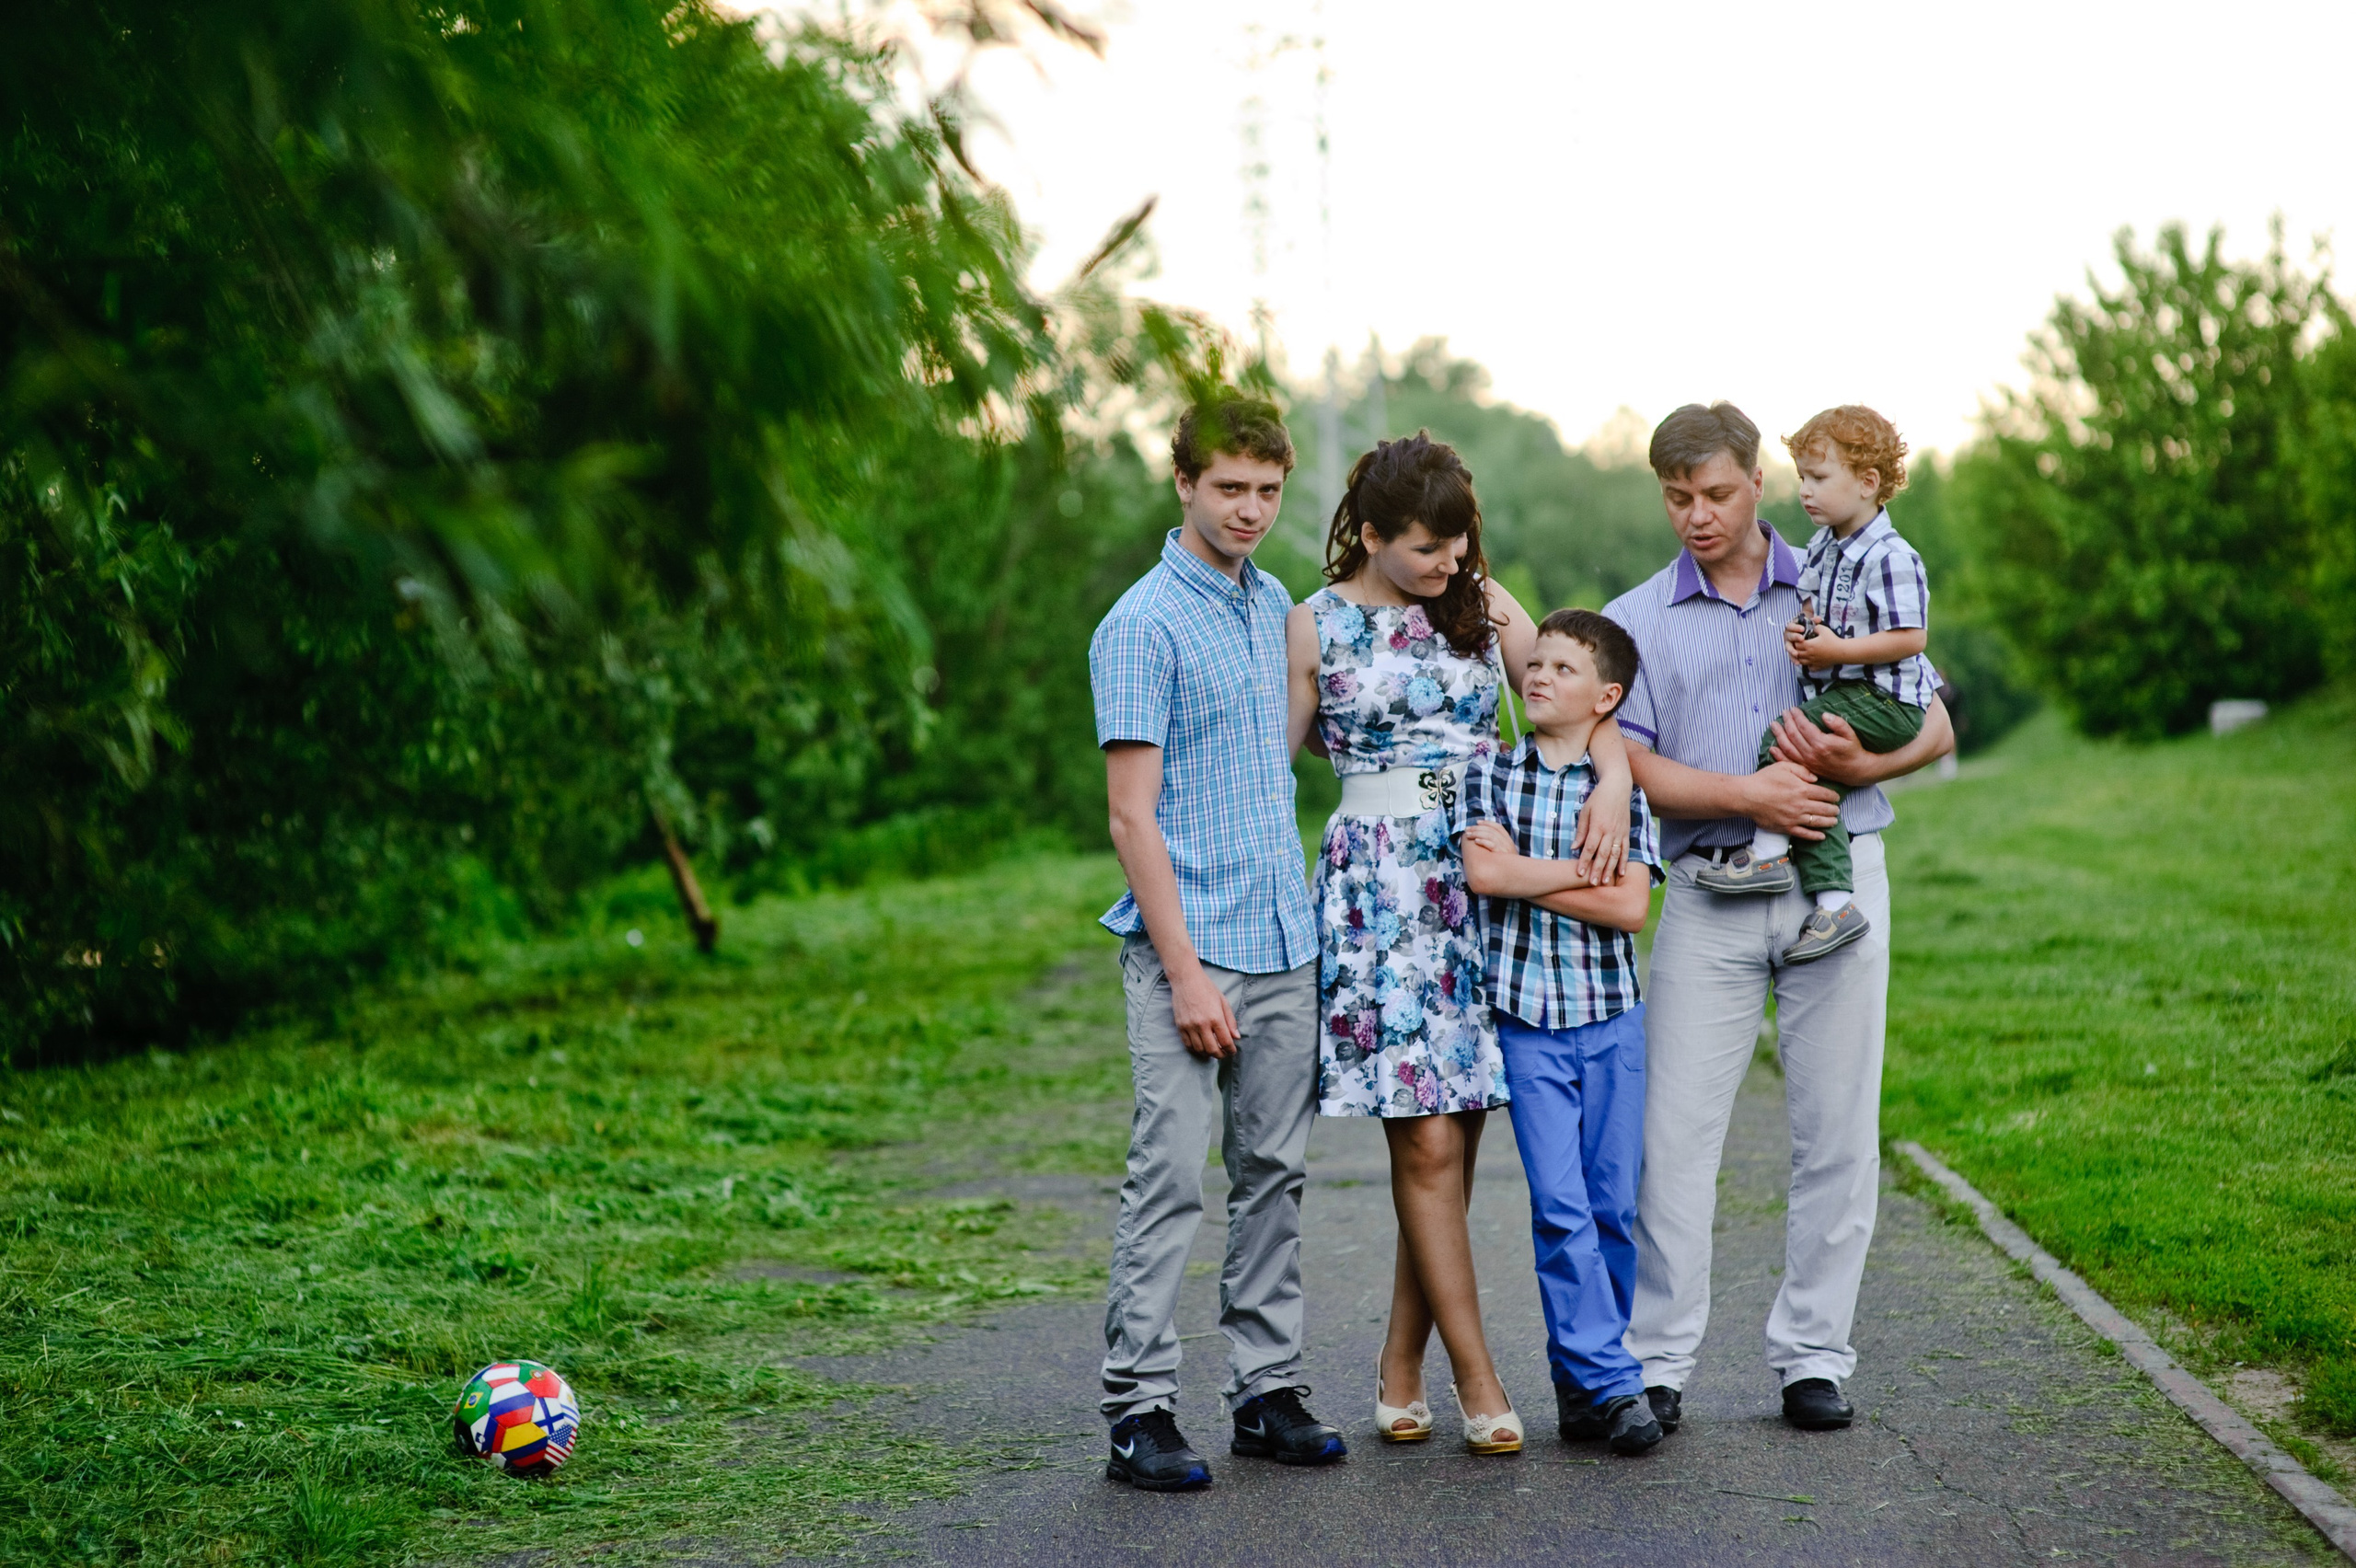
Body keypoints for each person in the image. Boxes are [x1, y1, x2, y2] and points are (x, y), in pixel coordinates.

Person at [1602, 402, 1955, 1436]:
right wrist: (1747, 795)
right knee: (1674, 1140)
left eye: (1716, 493)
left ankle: (1813, 1358)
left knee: (1837, 1131)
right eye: (1677, 498)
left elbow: (1934, 722)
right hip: (1709, 892)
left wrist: (1861, 764)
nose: (1697, 515)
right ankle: (1657, 1365)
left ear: (1757, 482)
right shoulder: (1636, 617)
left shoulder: (1842, 573)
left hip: (1835, 885)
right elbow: (1630, 766)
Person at [1286, 432, 1634, 1457]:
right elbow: (1272, 766)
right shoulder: (1314, 625)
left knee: (1455, 1138)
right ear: (1372, 535)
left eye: (1459, 543)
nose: (1449, 563)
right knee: (1428, 1141)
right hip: (1385, 889)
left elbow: (1581, 697)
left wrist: (1615, 780)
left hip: (1489, 876)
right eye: (1427, 548)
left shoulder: (1481, 602)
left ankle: (1399, 1366)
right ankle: (1478, 1380)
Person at [1089, 394, 1347, 1493]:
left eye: (1268, 491)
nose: (1249, 509)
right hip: (1187, 953)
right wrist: (1187, 974)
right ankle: (1138, 1410)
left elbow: (1277, 756)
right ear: (1184, 483)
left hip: (1283, 936)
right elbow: (1129, 818)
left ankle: (1265, 1391)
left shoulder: (1272, 601)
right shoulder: (1140, 624)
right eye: (1229, 488)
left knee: (1273, 1174)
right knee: (1167, 1180)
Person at [1456, 608, 1665, 1458]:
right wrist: (1572, 876)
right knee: (1562, 1209)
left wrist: (1524, 874)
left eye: (1563, 668)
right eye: (1534, 663)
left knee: (1613, 1207)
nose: (1538, 675)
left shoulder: (1622, 792)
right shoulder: (1491, 773)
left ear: (1605, 698)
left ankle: (1580, 1383)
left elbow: (1629, 906)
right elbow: (1483, 874)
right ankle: (1613, 1382)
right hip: (1529, 1026)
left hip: (1611, 1020)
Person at [1695, 407, 1937, 964]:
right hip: (1850, 694)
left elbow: (1912, 637)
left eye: (1819, 478)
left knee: (1784, 736)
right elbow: (1821, 614)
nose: (1805, 490)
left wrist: (1836, 651)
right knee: (1812, 786)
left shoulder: (1891, 555)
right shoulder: (1825, 547)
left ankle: (1768, 853)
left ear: (1868, 482)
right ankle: (1834, 905)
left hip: (1887, 701)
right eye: (1802, 476)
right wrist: (1806, 632)